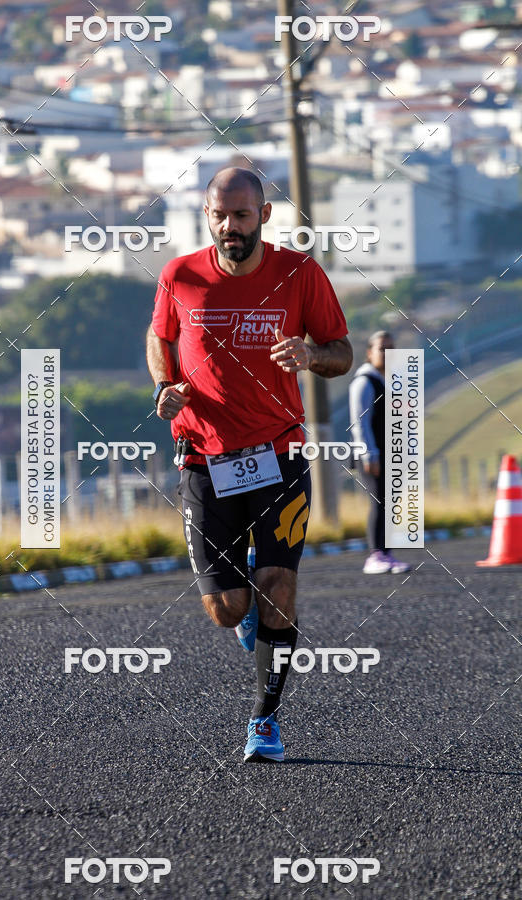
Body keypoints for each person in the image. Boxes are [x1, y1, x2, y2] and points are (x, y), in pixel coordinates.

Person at [146, 167, 352, 762]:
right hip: (204, 457)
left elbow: (341, 351)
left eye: (241, 215)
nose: (229, 227)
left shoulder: (299, 273)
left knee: (278, 586)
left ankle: (265, 720)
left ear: (263, 215)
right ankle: (246, 613)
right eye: (219, 215)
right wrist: (164, 385)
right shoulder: (179, 275)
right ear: (206, 215)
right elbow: (160, 337)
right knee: (227, 607)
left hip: (279, 453)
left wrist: (311, 354)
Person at [349, 330, 411, 575]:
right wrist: (369, 454)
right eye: (382, 348)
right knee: (380, 502)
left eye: (392, 348)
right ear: (369, 353)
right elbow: (359, 423)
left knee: (389, 502)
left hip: (388, 453)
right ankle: (376, 556)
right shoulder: (364, 382)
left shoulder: (388, 380)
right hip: (372, 454)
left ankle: (385, 554)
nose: (388, 353)